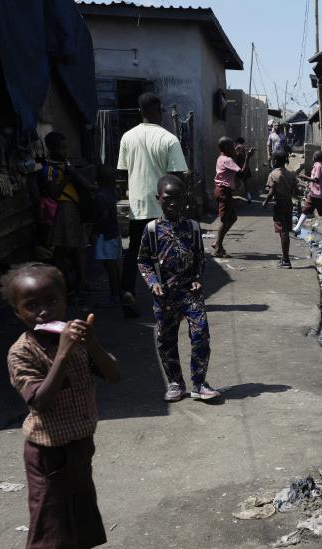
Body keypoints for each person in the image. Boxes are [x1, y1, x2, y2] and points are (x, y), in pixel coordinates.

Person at [3, 263, 120, 549]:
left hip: (78, 446)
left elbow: (114, 374)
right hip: (47, 453)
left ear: (65, 300)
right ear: (17, 312)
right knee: (47, 531)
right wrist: (66, 353)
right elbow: (40, 401)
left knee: (72, 520)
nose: (44, 312)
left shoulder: (76, 338)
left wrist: (91, 344)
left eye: (52, 301)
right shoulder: (22, 353)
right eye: (31, 305)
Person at [137, 175, 220, 402]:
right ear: (158, 199)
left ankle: (199, 383)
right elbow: (142, 261)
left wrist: (197, 278)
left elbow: (200, 260)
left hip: (190, 294)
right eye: (168, 198)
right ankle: (175, 383)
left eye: (178, 198)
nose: (173, 203)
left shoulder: (193, 228)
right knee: (166, 339)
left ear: (186, 199)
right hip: (164, 297)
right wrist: (153, 283)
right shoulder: (152, 230)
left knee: (200, 334)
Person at [118, 92, 189, 318]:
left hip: (138, 206)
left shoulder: (127, 137)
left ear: (141, 111)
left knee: (134, 254)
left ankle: (128, 291)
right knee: (167, 254)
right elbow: (178, 177)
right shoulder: (169, 139)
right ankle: (167, 297)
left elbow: (123, 172)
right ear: (159, 110)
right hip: (163, 208)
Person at [40, 131, 96, 295]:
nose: (65, 151)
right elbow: (54, 194)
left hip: (74, 208)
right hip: (64, 209)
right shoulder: (49, 169)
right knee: (66, 248)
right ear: (52, 149)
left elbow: (82, 182)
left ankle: (76, 281)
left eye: (65, 148)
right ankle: (71, 282)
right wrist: (67, 177)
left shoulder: (66, 165)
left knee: (73, 247)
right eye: (61, 148)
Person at [212, 136, 253, 258]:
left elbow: (233, 162)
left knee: (232, 217)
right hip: (223, 191)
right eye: (231, 146)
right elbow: (241, 173)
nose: (234, 148)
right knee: (225, 220)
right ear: (225, 147)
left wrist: (239, 154)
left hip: (223, 191)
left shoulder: (222, 157)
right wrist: (247, 158)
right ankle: (218, 247)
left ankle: (217, 243)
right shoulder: (227, 160)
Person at [92, 166, 123, 307]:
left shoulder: (99, 196)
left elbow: (104, 215)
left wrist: (95, 230)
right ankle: (117, 293)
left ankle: (114, 295)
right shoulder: (112, 192)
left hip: (106, 234)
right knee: (114, 265)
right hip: (114, 231)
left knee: (109, 266)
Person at [262, 150, 298, 268]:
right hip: (288, 203)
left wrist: (266, 201)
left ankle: (286, 260)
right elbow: (295, 191)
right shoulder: (291, 174)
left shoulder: (273, 174)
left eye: (272, 159)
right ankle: (284, 257)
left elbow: (271, 191)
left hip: (279, 204)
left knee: (283, 232)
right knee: (285, 230)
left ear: (275, 161)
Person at [295, 150, 322, 240]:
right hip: (314, 194)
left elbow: (316, 180)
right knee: (305, 210)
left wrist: (304, 177)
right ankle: (297, 228)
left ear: (316, 158)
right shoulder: (316, 165)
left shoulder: (318, 166)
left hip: (319, 195)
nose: (312, 157)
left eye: (314, 155)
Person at [233, 137, 254, 202]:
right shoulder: (243, 147)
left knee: (237, 179)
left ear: (236, 142)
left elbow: (236, 155)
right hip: (245, 165)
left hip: (240, 165)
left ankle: (237, 192)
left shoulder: (238, 147)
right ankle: (248, 196)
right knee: (245, 182)